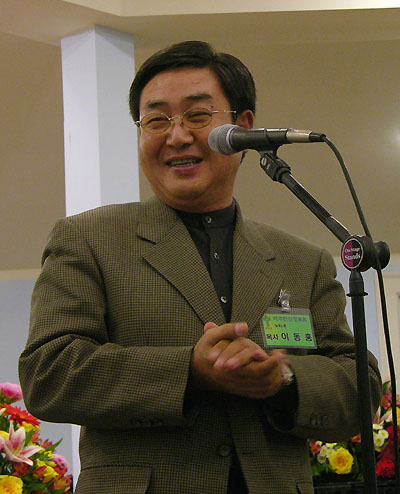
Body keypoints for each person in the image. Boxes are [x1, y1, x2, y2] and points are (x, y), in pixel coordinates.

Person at [19, 40, 381, 494]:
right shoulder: (89, 239)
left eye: (197, 115)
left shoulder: (302, 260)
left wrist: (284, 380)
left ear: (243, 127)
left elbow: (360, 388)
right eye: (156, 120)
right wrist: (189, 370)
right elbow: (48, 373)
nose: (177, 136)